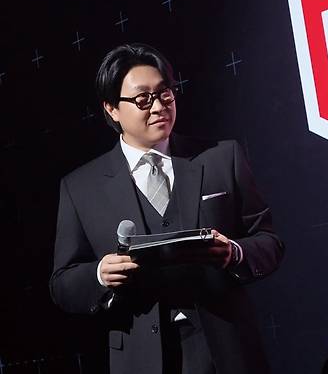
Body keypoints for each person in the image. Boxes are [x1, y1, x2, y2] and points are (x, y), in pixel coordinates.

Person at [50, 43, 284, 374]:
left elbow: (269, 242)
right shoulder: (80, 187)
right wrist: (100, 274)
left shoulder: (220, 158)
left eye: (165, 94)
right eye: (143, 99)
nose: (159, 106)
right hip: (139, 357)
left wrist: (234, 252)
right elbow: (62, 283)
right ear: (112, 109)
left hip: (227, 348)